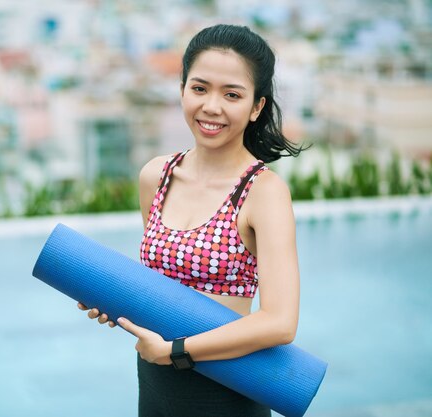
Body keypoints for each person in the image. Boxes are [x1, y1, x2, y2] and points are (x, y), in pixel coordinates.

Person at [78, 24, 304, 417]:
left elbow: (280, 323)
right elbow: (161, 282)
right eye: (199, 88)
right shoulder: (157, 176)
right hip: (155, 379)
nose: (211, 107)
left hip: (226, 386)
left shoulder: (263, 193)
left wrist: (177, 351)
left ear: (256, 107)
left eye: (231, 94)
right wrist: (112, 299)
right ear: (182, 89)